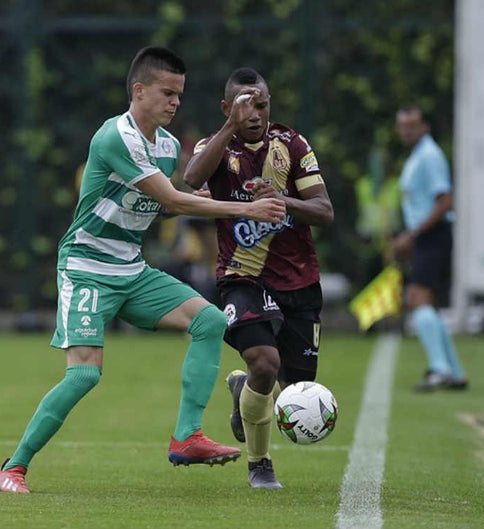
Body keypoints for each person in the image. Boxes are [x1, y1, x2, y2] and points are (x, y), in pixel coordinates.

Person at [0, 47, 287, 494]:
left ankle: (187, 437)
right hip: (87, 268)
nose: (175, 102)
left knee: (209, 322)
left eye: (179, 94)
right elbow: (170, 199)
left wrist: (219, 199)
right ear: (139, 90)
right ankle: (13, 468)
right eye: (167, 93)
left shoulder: (166, 147)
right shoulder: (115, 137)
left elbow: (163, 207)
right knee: (84, 374)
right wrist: (245, 208)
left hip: (131, 270)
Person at [182, 67, 334, 489]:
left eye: (261, 105)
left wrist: (283, 201)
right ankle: (260, 465)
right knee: (265, 362)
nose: (254, 114)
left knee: (296, 386)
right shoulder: (215, 146)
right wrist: (228, 128)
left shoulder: (293, 144)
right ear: (227, 108)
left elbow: (324, 211)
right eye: (243, 107)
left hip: (298, 280)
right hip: (241, 277)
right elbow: (191, 179)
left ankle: (243, 389)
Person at [391, 106, 468, 392]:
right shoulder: (418, 155)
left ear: (425, 126)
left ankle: (440, 369)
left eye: (412, 125)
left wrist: (413, 235)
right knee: (428, 304)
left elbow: (445, 200)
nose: (406, 131)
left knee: (417, 298)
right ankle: (454, 371)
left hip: (432, 235)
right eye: (402, 125)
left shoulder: (429, 156)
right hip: (427, 236)